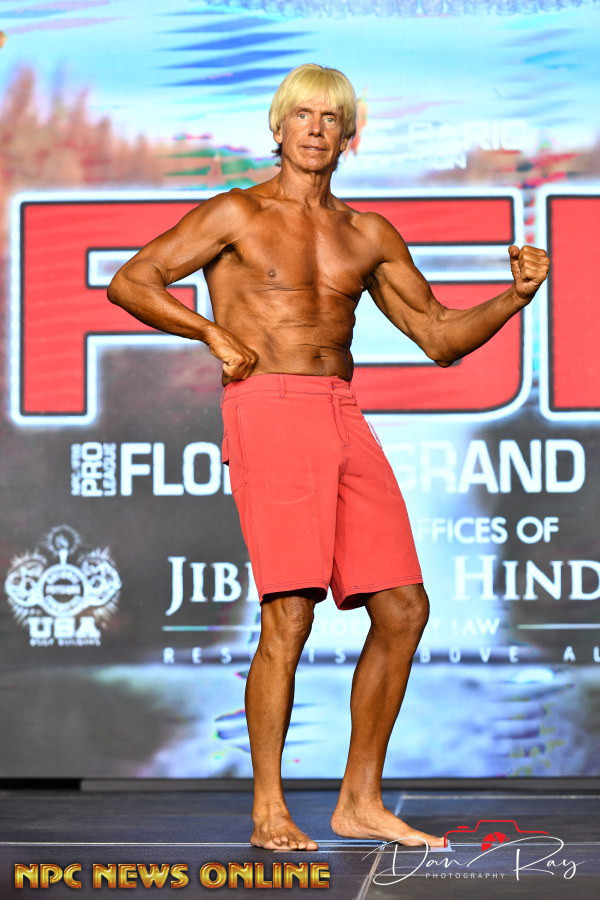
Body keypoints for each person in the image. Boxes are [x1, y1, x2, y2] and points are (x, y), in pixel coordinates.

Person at [107, 63, 550, 852]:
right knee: (290, 610)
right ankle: (269, 808)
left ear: (350, 136)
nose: (316, 129)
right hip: (267, 404)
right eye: (303, 116)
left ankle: (359, 801)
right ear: (277, 129)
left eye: (331, 118)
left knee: (404, 608)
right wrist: (210, 333)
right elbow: (132, 281)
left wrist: (514, 297)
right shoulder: (237, 212)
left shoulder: (367, 233)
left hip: (341, 409)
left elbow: (440, 337)